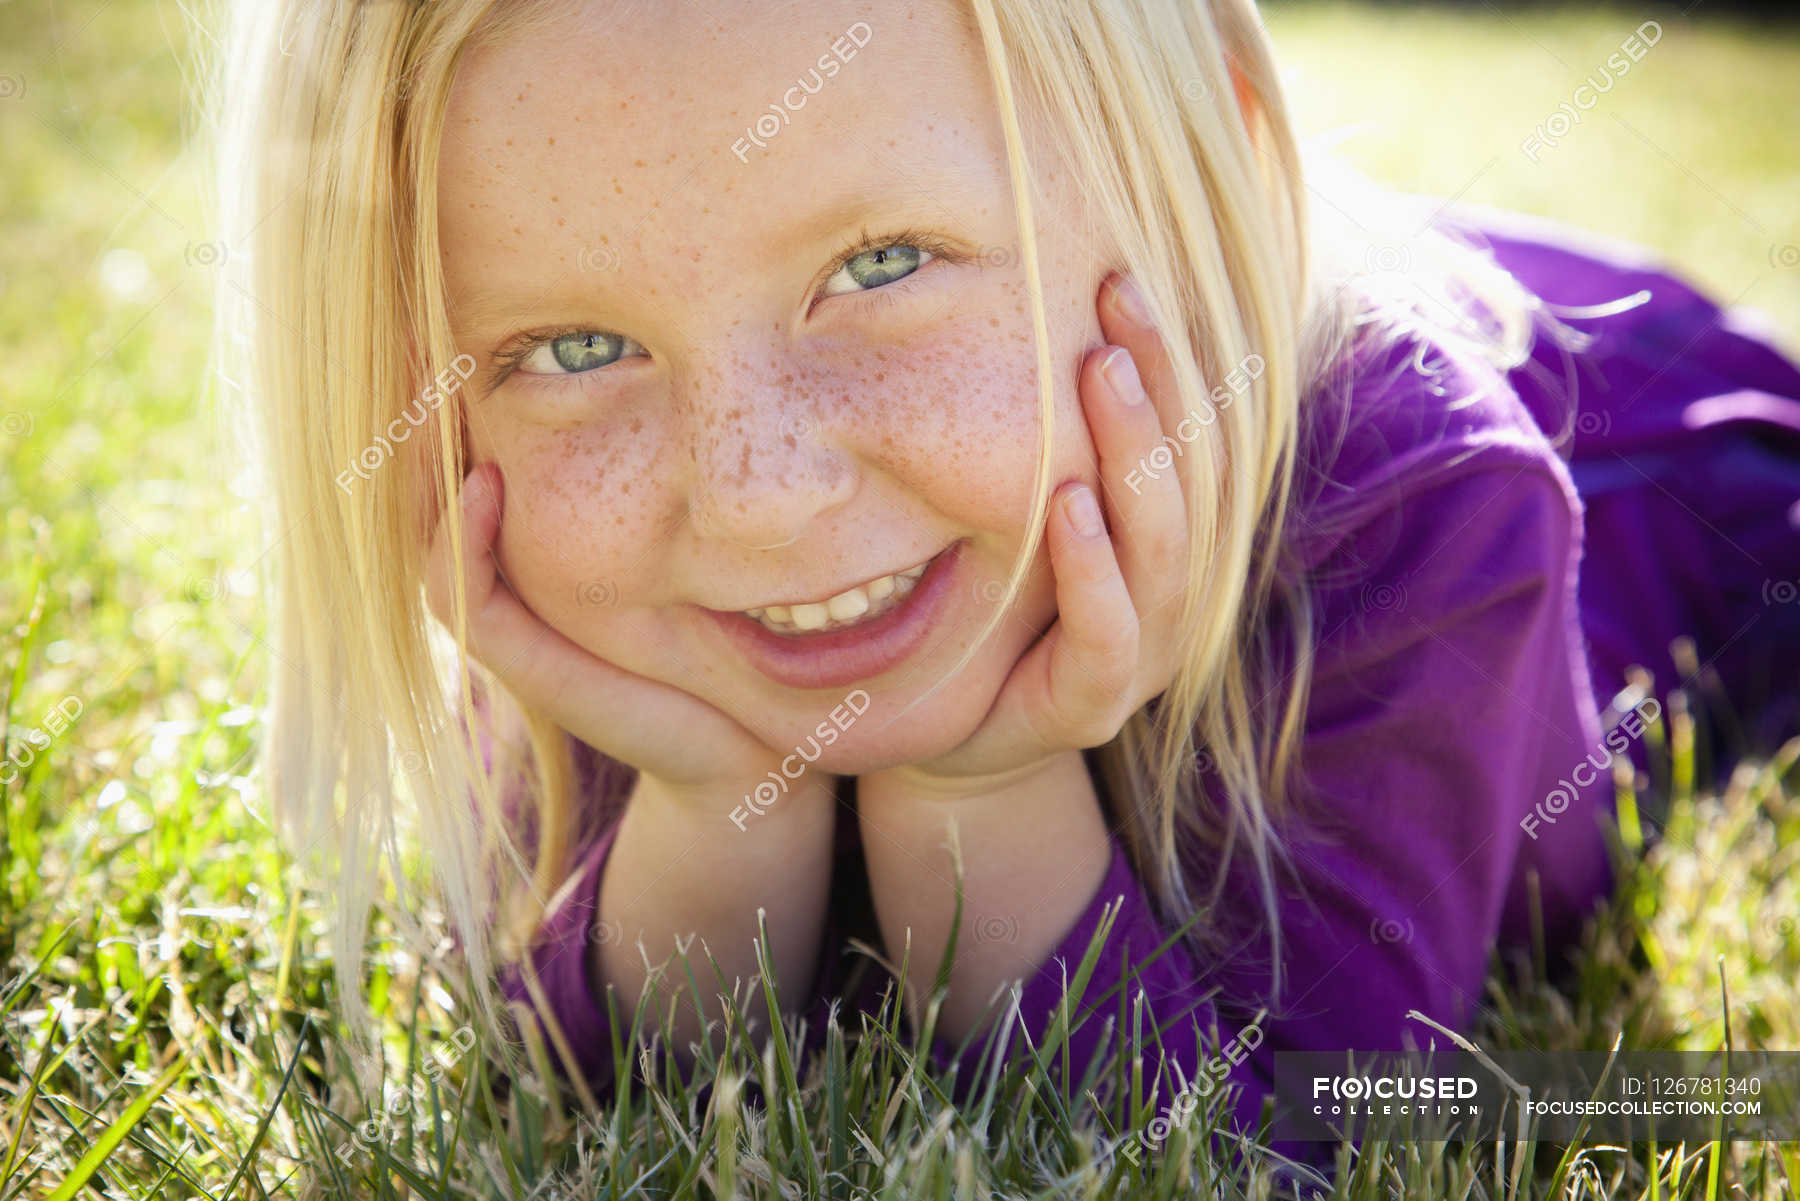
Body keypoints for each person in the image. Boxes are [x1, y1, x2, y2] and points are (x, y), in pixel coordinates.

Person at [215, 0, 1800, 1167]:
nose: (761, 496)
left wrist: (991, 779)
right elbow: (609, 1076)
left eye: (887, 261)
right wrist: (717, 807)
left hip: (1670, 452)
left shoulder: (1419, 501)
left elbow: (1304, 1125)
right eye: (576, 348)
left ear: (1223, 171)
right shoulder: (565, 543)